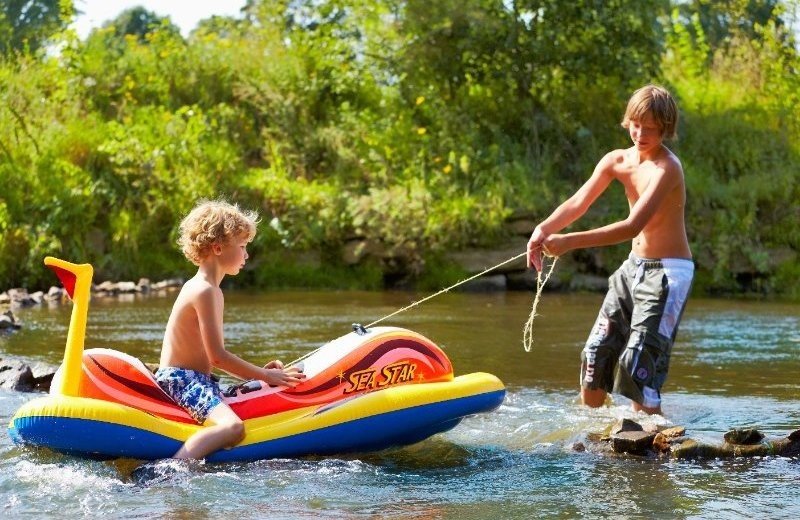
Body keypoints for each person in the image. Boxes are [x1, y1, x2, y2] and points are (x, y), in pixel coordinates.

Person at [527, 84, 694, 415]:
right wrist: (543, 229)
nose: (641, 133)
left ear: (666, 128)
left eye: (651, 128)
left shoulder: (667, 168)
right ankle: (594, 439)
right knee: (594, 357)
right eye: (636, 124)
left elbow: (632, 226)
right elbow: (579, 202)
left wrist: (568, 242)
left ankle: (649, 447)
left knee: (636, 366)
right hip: (633, 268)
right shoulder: (616, 160)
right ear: (627, 121)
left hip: (668, 274)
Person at [155, 199, 306, 459]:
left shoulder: (207, 288)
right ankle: (169, 471)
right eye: (243, 246)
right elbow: (217, 356)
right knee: (233, 427)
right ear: (217, 247)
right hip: (181, 382)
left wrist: (257, 377)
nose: (247, 254)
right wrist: (265, 376)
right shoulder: (205, 291)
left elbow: (209, 357)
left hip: (195, 381)